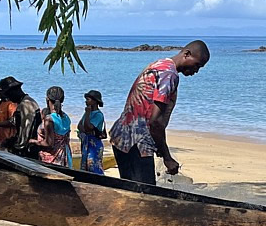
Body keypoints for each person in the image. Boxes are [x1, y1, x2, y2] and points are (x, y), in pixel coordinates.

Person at [109, 40, 210, 185]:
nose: (196, 71)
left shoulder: (160, 64)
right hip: (138, 143)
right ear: (187, 54)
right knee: (145, 193)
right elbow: (155, 122)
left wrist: (159, 147)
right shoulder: (169, 74)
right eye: (197, 65)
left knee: (128, 189)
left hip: (122, 136)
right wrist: (167, 158)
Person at [31, 86, 73, 167]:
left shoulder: (49, 119)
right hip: (64, 156)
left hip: (51, 158)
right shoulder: (66, 117)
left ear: (47, 99)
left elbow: (49, 143)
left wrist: (33, 141)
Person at [0, 78, 41, 159]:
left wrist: (18, 147)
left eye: (8, 95)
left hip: (27, 150)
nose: (9, 99)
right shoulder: (27, 102)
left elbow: (27, 130)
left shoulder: (25, 105)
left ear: (13, 92)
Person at [77, 90, 107, 174]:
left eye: (88, 100)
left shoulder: (98, 115)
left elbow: (89, 127)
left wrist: (87, 113)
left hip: (94, 144)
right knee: (85, 166)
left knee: (93, 166)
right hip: (86, 143)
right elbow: (79, 125)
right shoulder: (87, 113)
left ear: (95, 101)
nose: (86, 102)